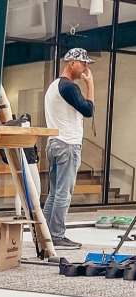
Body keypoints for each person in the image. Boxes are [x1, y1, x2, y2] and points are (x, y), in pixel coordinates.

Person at [43, 47, 95, 249]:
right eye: (83, 64)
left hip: (55, 143)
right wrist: (90, 85)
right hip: (67, 144)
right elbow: (88, 110)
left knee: (55, 192)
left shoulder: (54, 86)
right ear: (71, 63)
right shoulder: (69, 88)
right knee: (64, 193)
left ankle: (46, 233)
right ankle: (56, 235)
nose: (85, 68)